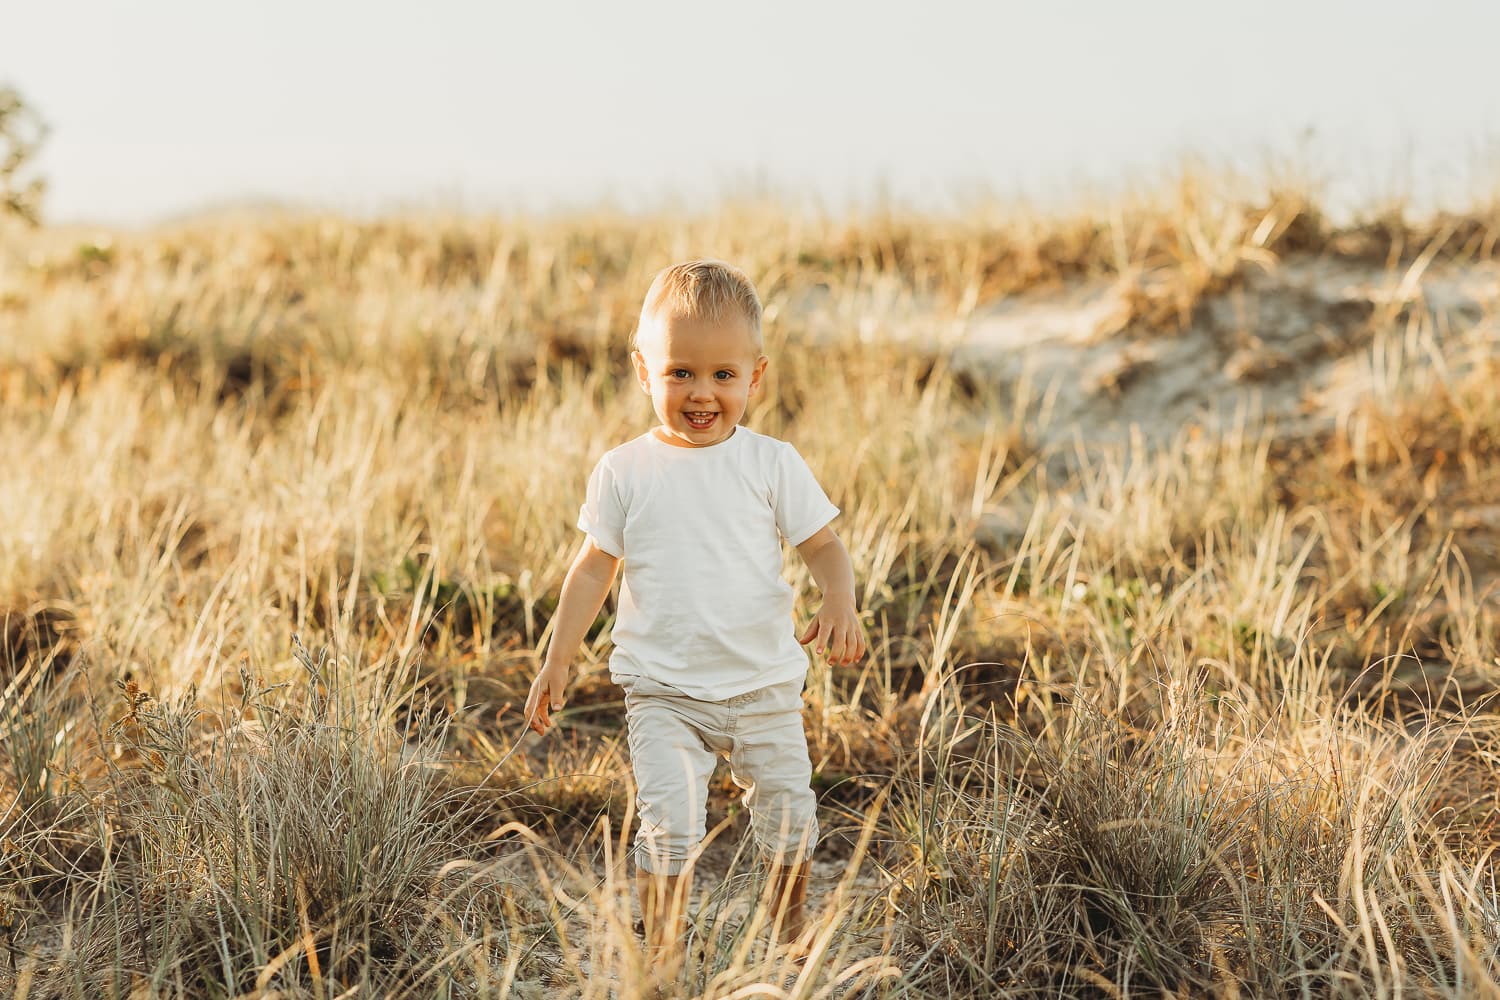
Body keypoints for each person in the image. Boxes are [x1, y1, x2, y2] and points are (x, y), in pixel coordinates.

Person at [522, 259, 867, 969]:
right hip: (664, 692)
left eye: (722, 375)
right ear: (645, 373)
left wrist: (840, 597)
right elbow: (592, 569)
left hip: (762, 686)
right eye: (680, 373)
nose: (701, 393)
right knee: (669, 826)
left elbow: (825, 546)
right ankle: (664, 954)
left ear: (754, 377)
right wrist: (559, 657)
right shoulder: (625, 470)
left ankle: (790, 934)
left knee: (789, 815)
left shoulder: (772, 464)